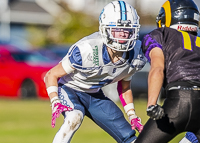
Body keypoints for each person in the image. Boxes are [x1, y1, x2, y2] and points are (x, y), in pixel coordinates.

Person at [44, 1, 146, 143]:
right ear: (105, 29)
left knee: (129, 136)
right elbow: (51, 75)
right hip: (69, 88)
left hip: (94, 95)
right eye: (117, 29)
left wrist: (132, 115)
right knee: (74, 117)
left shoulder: (136, 55)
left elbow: (125, 87)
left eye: (127, 30)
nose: (122, 35)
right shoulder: (87, 49)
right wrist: (55, 101)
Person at [134, 0, 200, 143]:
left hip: (180, 100)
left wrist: (152, 103)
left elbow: (157, 68)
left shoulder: (161, 34)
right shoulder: (198, 40)